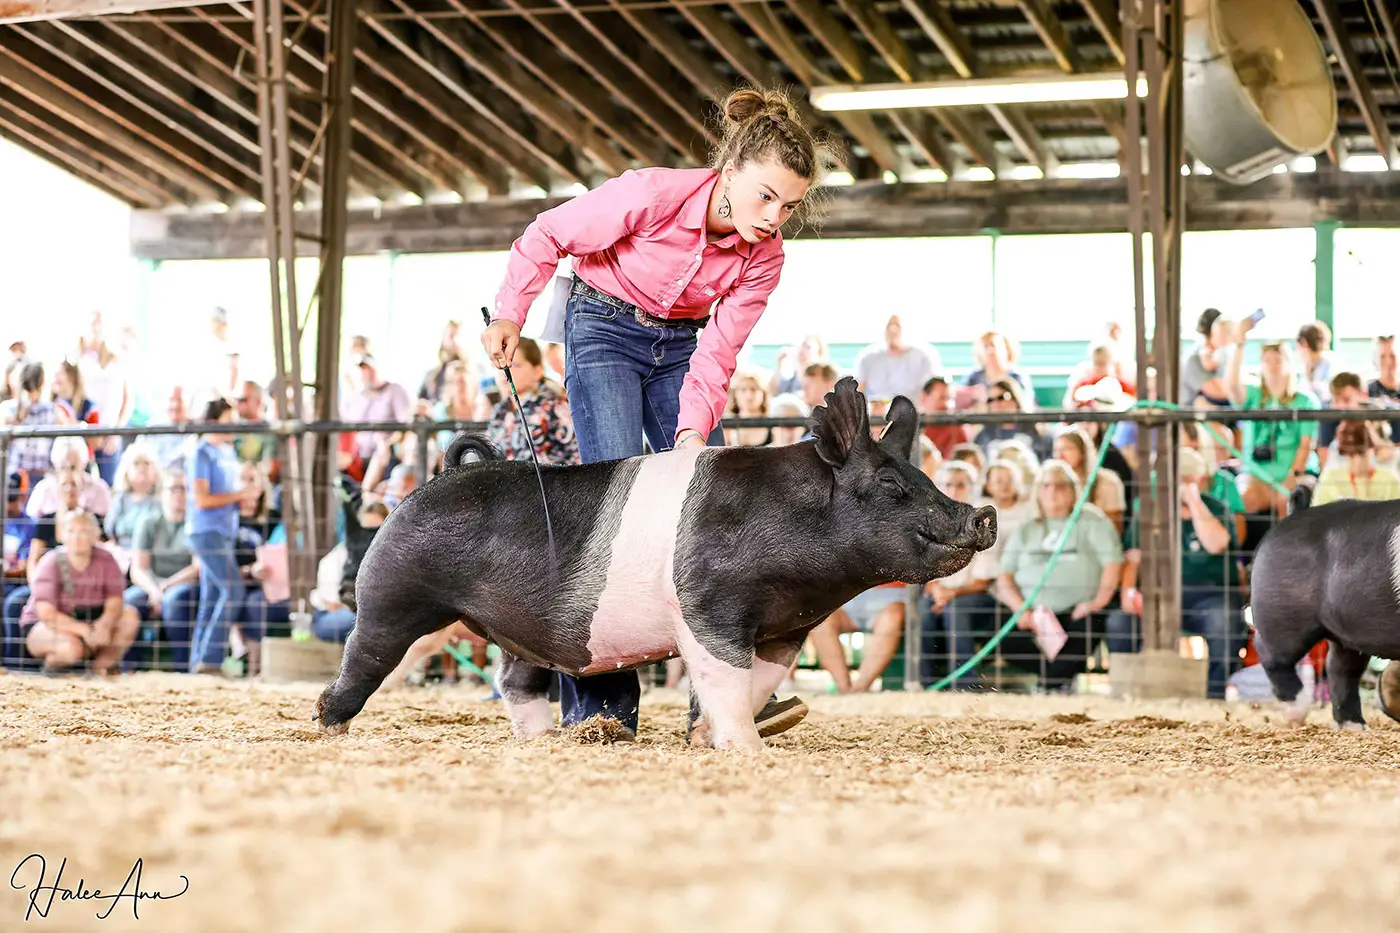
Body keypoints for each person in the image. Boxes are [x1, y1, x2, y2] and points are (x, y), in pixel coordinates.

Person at [481, 84, 835, 740]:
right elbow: (548, 233)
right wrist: (510, 310)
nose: (773, 216)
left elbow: (720, 352)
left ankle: (721, 710)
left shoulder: (766, 258)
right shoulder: (649, 194)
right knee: (612, 505)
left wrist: (693, 434)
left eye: (789, 206)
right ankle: (600, 712)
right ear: (728, 172)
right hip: (603, 325)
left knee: (720, 500)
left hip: (681, 345)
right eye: (765, 195)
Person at [186, 399, 255, 675]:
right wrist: (239, 495)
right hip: (206, 530)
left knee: (212, 596)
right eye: (229, 420)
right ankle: (211, 659)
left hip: (224, 529)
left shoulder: (226, 452)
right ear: (214, 422)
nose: (234, 425)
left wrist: (241, 498)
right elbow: (202, 499)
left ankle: (197, 664)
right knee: (232, 589)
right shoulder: (201, 453)